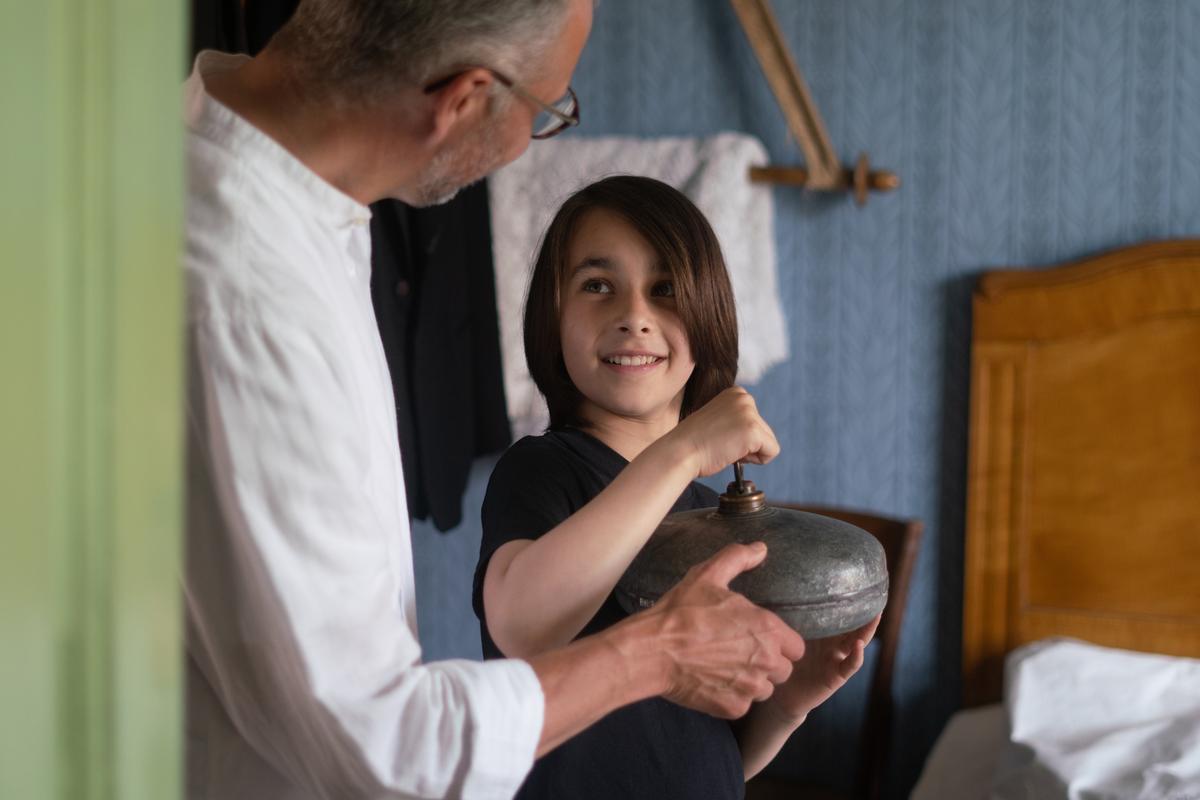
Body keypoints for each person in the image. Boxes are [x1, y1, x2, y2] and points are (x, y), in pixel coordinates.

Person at [184, 2, 808, 798]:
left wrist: (783, 701)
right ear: (464, 98)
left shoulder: (310, 226)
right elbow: (388, 744)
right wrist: (657, 652)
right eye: (547, 111)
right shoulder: (245, 300)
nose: (525, 145)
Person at [474, 176, 881, 799]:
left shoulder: (707, 518)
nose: (634, 316)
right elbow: (523, 626)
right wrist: (686, 448)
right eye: (597, 286)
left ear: (708, 315)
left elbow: (708, 755)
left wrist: (792, 702)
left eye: (665, 290)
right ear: (552, 318)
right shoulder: (543, 470)